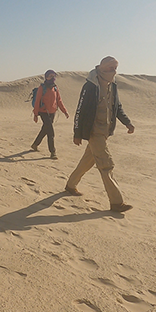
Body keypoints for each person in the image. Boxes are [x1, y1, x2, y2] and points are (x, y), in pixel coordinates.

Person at [64, 56, 135, 212]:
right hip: (94, 131)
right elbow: (80, 110)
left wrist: (127, 122)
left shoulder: (113, 85)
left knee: (88, 161)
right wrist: (77, 133)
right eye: (111, 68)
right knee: (106, 165)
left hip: (105, 132)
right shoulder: (90, 86)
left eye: (115, 68)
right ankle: (116, 202)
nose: (114, 71)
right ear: (102, 68)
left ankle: (70, 185)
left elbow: (117, 107)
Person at [31, 70, 69, 159]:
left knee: (45, 129)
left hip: (52, 112)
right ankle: (53, 152)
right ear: (46, 77)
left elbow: (59, 100)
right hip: (43, 112)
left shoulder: (55, 88)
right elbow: (37, 101)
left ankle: (35, 144)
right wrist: (35, 114)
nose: (52, 78)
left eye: (54, 76)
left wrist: (64, 111)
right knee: (50, 132)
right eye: (50, 76)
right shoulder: (42, 88)